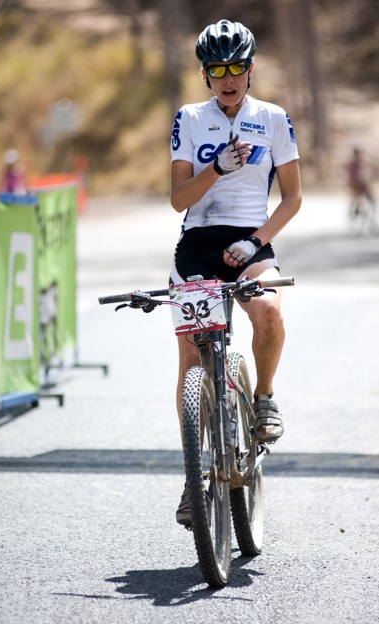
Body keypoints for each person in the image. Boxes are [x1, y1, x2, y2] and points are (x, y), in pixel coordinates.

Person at [169, 20, 302, 527]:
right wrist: (216, 170)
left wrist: (256, 240)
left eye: (237, 68)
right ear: (205, 74)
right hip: (197, 244)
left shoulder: (272, 118)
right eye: (218, 69)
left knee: (268, 313)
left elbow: (292, 198)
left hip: (250, 236)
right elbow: (178, 199)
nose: (229, 78)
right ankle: (193, 475)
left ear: (250, 70)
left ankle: (264, 397)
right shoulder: (189, 118)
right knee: (191, 355)